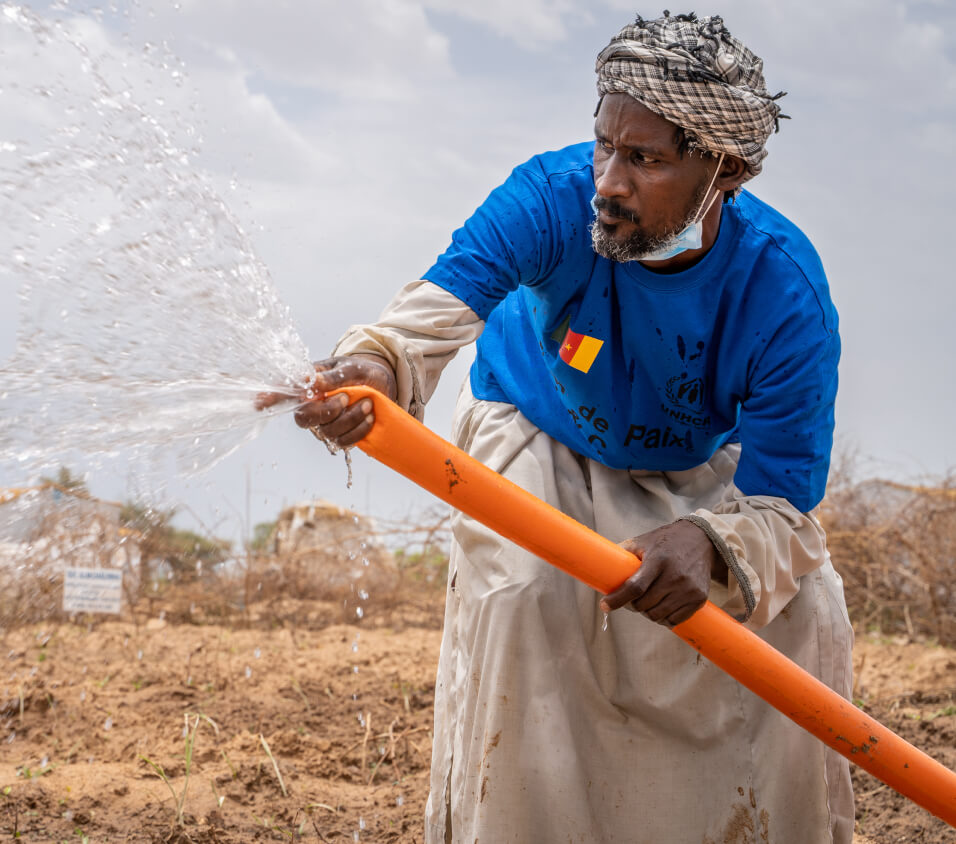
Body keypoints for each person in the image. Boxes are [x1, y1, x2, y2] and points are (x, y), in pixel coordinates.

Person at [281, 12, 854, 843]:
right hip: (535, 431)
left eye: (646, 159)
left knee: (805, 615)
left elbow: (783, 501)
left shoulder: (785, 292)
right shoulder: (550, 198)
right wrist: (374, 368)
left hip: (694, 473)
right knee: (528, 601)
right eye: (604, 146)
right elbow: (427, 317)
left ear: (723, 171)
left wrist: (710, 545)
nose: (609, 183)